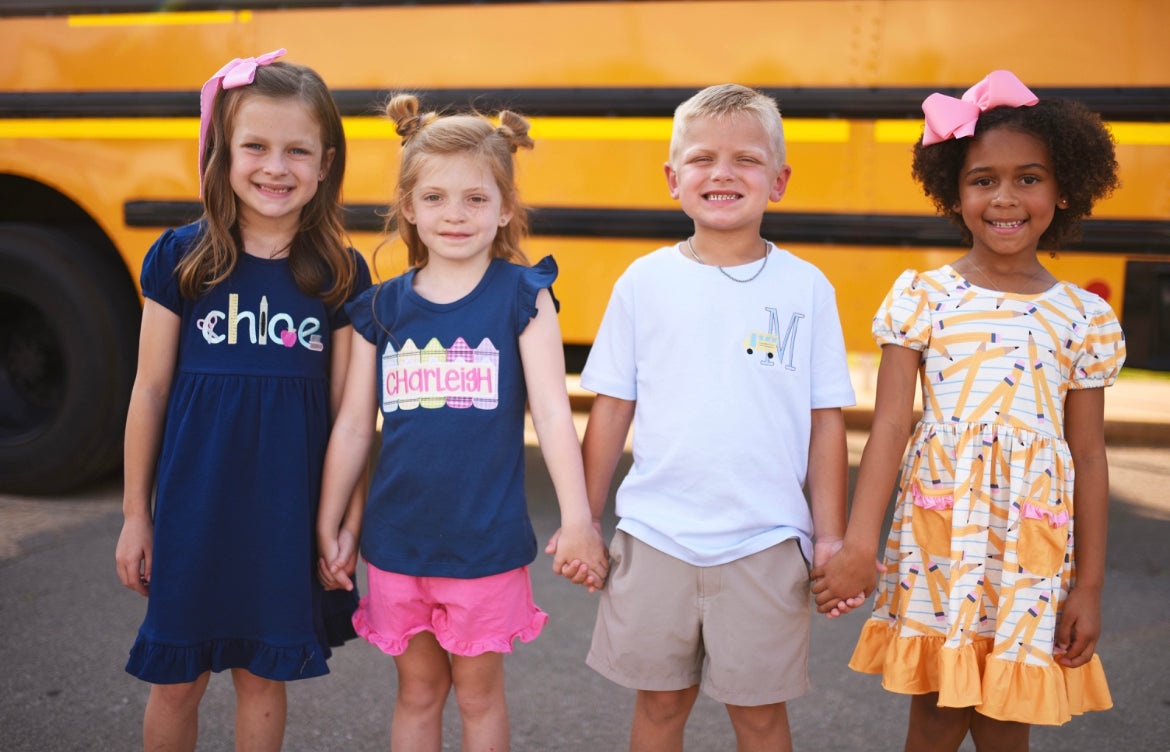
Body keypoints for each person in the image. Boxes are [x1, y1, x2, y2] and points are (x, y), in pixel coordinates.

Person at [811, 70, 1124, 750]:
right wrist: (861, 546)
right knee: (936, 713)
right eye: (983, 180)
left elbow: (1091, 455)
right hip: (939, 540)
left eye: (1028, 178)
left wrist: (1089, 587)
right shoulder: (923, 297)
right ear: (953, 191)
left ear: (1063, 187)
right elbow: (890, 426)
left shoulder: (1084, 318)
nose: (1005, 198)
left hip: (1032, 550)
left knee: (1008, 716)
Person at [315, 93, 609, 752]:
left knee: (478, 696)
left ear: (505, 208)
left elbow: (555, 414)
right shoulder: (380, 309)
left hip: (484, 548)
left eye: (476, 199)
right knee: (417, 693)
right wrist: (329, 523)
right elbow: (355, 427)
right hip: (397, 547)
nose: (455, 214)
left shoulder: (522, 296)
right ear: (409, 208)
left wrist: (579, 520)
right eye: (436, 198)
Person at [577, 83, 856, 752]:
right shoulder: (643, 281)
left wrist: (831, 539)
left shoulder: (807, 287)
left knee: (759, 716)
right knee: (661, 705)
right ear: (673, 179)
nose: (723, 174)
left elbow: (825, 422)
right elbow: (612, 409)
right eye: (702, 158)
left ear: (780, 180)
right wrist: (583, 521)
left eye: (748, 160)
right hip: (656, 533)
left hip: (764, 541)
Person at [114, 49, 370, 752]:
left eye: (297, 150)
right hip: (195, 510)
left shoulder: (341, 273)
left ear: (326, 163)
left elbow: (355, 414)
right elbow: (151, 389)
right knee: (177, 677)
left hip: (286, 516)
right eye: (254, 147)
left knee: (263, 676)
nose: (275, 167)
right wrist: (138, 515)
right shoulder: (182, 258)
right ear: (221, 154)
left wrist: (347, 522)